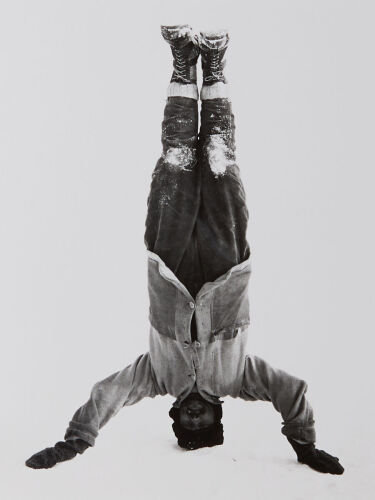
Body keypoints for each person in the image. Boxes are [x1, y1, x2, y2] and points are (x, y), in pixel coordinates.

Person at [25, 25, 344, 475]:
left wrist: (77, 438)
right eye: (203, 422)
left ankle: (181, 63)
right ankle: (212, 66)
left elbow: (109, 392)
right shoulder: (239, 379)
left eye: (187, 422)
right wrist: (303, 440)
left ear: (174, 414)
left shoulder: (157, 377)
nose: (195, 416)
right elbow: (290, 390)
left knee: (176, 158)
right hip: (225, 266)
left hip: (169, 265)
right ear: (217, 413)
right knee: (218, 159)